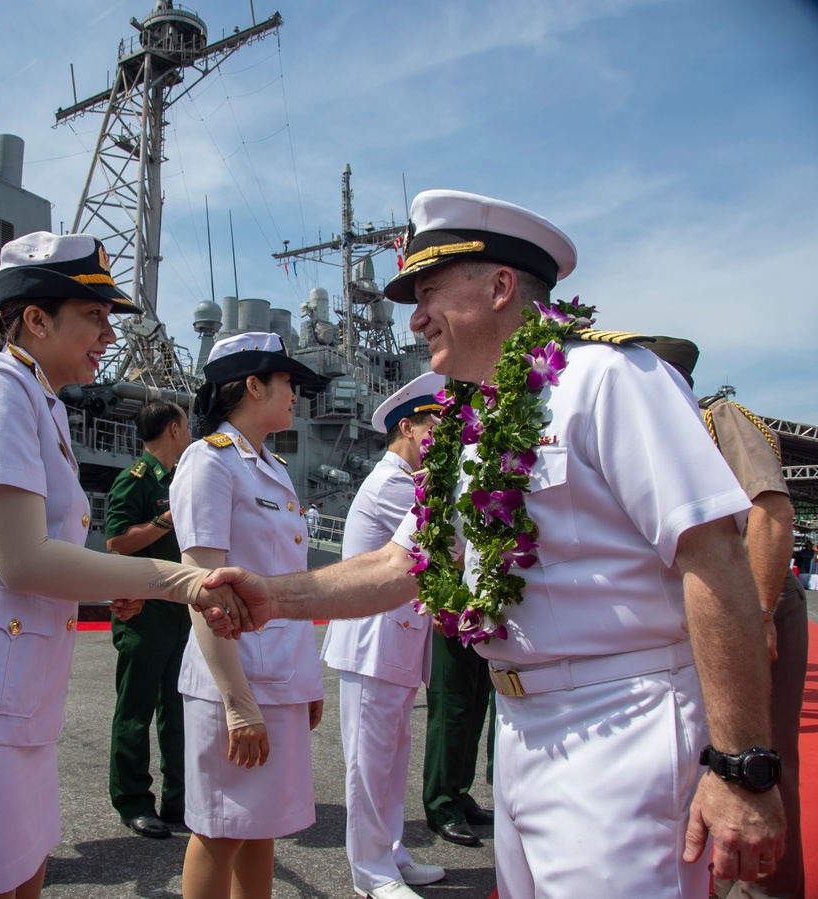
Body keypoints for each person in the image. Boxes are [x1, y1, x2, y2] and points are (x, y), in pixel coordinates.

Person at [205, 191, 786, 898]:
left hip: (622, 726)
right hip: (521, 730)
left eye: (429, 292)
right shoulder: (469, 423)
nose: (414, 317)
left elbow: (715, 557)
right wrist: (275, 596)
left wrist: (741, 768)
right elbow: (402, 563)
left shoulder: (610, 381)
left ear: (501, 286)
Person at [0, 232, 237, 899]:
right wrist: (177, 582)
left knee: (21, 882)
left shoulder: (40, 400)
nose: (107, 334)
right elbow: (22, 559)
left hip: (9, 699)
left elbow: (35, 560)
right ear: (36, 319)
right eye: (94, 316)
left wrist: (103, 596)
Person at [170, 331, 328, 899]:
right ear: (253, 385)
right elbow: (202, 590)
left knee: (262, 829)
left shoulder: (274, 469)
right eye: (287, 381)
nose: (296, 394)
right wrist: (238, 706)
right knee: (220, 829)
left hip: (280, 676)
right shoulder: (208, 463)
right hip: (232, 680)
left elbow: (289, 585)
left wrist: (306, 681)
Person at [650, 338, 808, 899]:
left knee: (762, 757)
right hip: (711, 610)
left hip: (754, 601)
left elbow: (771, 514)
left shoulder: (720, 419)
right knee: (710, 753)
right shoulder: (662, 436)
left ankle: (767, 890)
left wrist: (761, 615)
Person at [321, 371, 445, 899]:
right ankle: (370, 872)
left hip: (396, 642)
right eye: (440, 421)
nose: (449, 432)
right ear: (412, 427)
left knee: (393, 757)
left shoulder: (411, 480)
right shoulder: (394, 484)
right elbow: (439, 548)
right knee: (369, 764)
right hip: (373, 643)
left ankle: (390, 852)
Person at [106, 399, 192, 839]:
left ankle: (180, 801)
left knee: (179, 711)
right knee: (136, 711)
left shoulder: (182, 480)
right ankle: (134, 801)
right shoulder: (134, 480)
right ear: (174, 429)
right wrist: (166, 517)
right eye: (186, 423)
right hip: (144, 612)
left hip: (181, 612)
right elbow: (117, 541)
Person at [423, 630, 494, 846]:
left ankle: (459, 793)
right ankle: (442, 805)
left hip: (481, 617)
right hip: (448, 615)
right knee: (452, 710)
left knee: (475, 704)